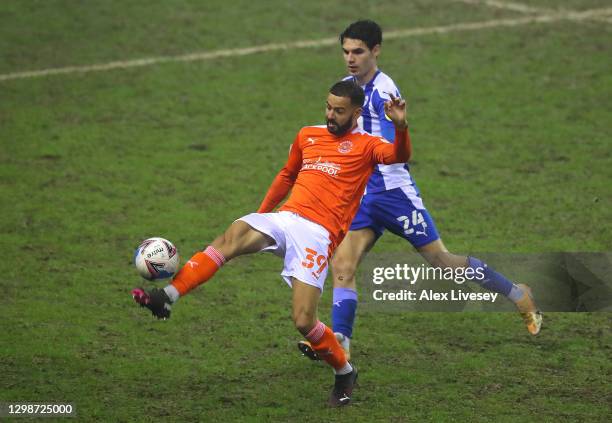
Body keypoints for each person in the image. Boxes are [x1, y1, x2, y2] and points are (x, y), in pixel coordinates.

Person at [132, 80, 412, 407]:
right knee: (233, 235)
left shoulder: (367, 145)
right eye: (328, 107)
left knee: (304, 320)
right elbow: (287, 175)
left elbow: (398, 156)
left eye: (339, 111)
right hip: (286, 218)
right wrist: (261, 215)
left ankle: (344, 371)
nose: (331, 115)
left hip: (318, 234)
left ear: (356, 112)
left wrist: (401, 126)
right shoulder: (308, 134)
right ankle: (166, 297)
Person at [298, 20, 542, 363]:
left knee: (444, 262)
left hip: (394, 194)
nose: (350, 58)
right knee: (343, 266)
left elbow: (388, 147)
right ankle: (340, 346)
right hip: (362, 195)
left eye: (358, 52)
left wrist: (393, 128)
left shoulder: (385, 92)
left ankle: (518, 293)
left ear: (376, 51)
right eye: (346, 52)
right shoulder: (348, 88)